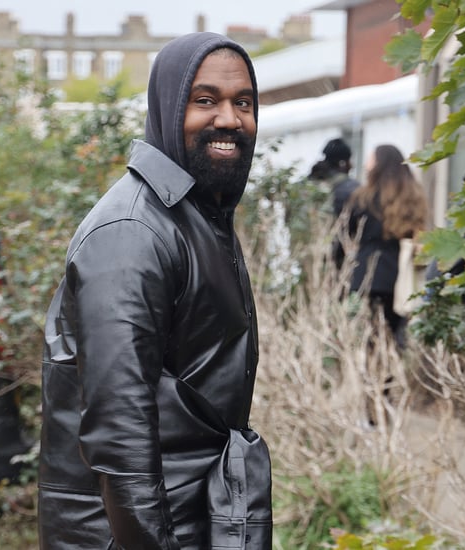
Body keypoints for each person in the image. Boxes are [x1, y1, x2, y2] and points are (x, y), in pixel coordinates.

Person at [38, 32, 272, 550]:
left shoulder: (196, 215)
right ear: (168, 109)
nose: (230, 119)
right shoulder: (133, 232)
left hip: (191, 518)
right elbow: (119, 439)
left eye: (244, 102)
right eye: (205, 100)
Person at [347, 144, 428, 348]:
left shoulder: (363, 198)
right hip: (398, 276)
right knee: (395, 334)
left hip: (366, 275)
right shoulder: (412, 198)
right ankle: (392, 375)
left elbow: (348, 234)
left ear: (378, 164)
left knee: (368, 337)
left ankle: (373, 375)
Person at [309, 137, 360, 268]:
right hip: (337, 262)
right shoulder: (352, 188)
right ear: (344, 162)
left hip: (307, 258)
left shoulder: (306, 186)